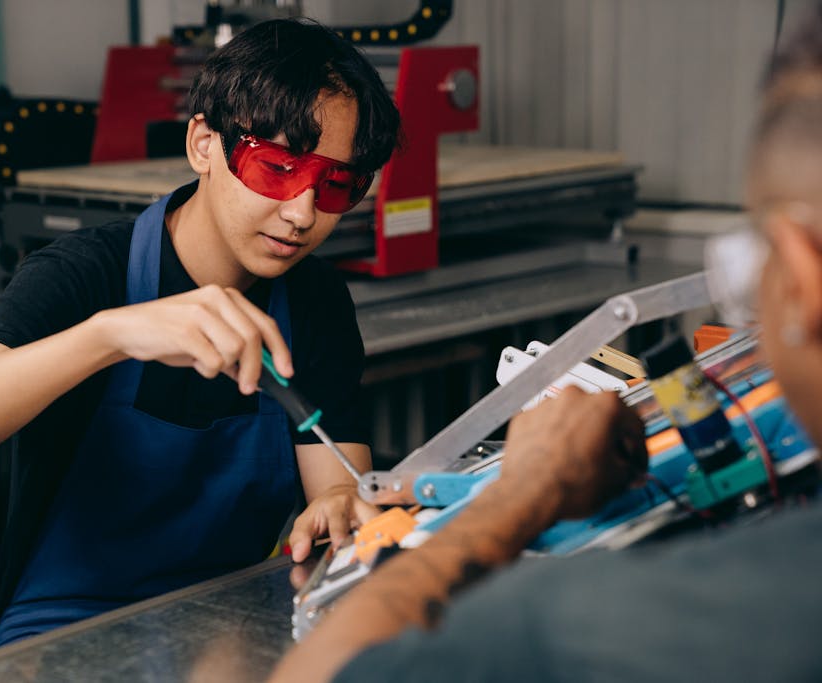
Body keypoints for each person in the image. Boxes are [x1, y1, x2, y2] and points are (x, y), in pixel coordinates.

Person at [270, 6, 822, 682]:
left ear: (798, 276)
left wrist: (522, 493)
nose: (300, 211)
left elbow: (319, 671)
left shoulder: (645, 618)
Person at [0, 19, 400, 648]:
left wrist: (337, 508)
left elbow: (337, 491)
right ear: (204, 145)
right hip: (68, 625)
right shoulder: (85, 275)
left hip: (231, 615)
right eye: (276, 168)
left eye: (335, 185)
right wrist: (109, 336)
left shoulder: (314, 300)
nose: (301, 214)